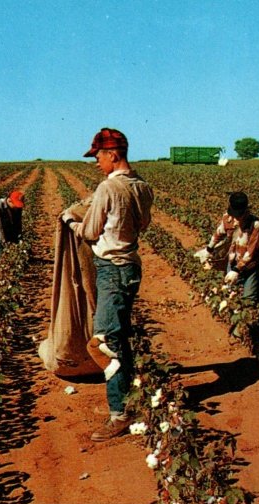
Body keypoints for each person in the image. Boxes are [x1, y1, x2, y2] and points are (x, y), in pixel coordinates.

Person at [62, 127, 154, 442]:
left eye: (99, 156)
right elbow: (142, 224)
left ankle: (120, 413)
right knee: (118, 336)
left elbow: (89, 232)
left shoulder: (108, 188)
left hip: (111, 270)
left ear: (113, 155)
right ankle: (131, 397)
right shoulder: (142, 186)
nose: (97, 162)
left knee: (103, 343)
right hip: (130, 267)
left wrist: (71, 222)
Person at [199, 192, 259, 301]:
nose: (236, 217)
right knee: (230, 296)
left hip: (250, 265)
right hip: (233, 261)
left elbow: (251, 251)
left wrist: (237, 270)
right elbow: (218, 233)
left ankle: (251, 286)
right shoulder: (227, 218)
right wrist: (209, 249)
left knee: (249, 299)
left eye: (239, 215)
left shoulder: (255, 224)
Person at [0, 190, 24, 266]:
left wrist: (20, 237)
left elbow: (19, 223)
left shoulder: (18, 207)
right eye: (15, 205)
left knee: (16, 256)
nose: (16, 207)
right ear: (9, 200)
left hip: (11, 231)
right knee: (0, 261)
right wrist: (4, 242)